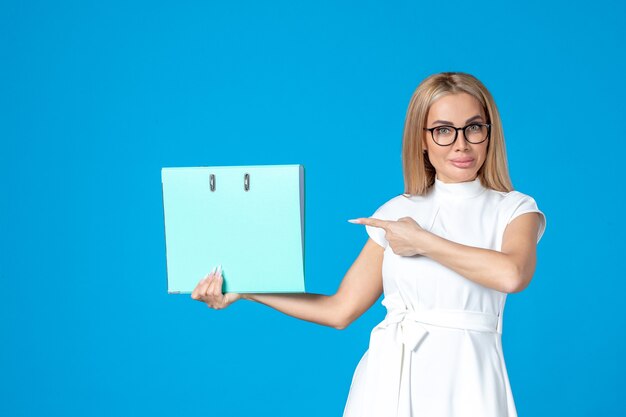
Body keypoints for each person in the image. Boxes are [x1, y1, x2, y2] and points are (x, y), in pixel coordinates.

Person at [191, 72, 546, 417]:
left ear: (489, 131)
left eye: (473, 127)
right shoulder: (396, 212)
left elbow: (512, 274)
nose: (460, 143)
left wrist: (421, 240)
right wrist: (248, 291)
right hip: (386, 381)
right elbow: (339, 310)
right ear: (421, 139)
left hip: (468, 381)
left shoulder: (514, 208)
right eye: (442, 130)